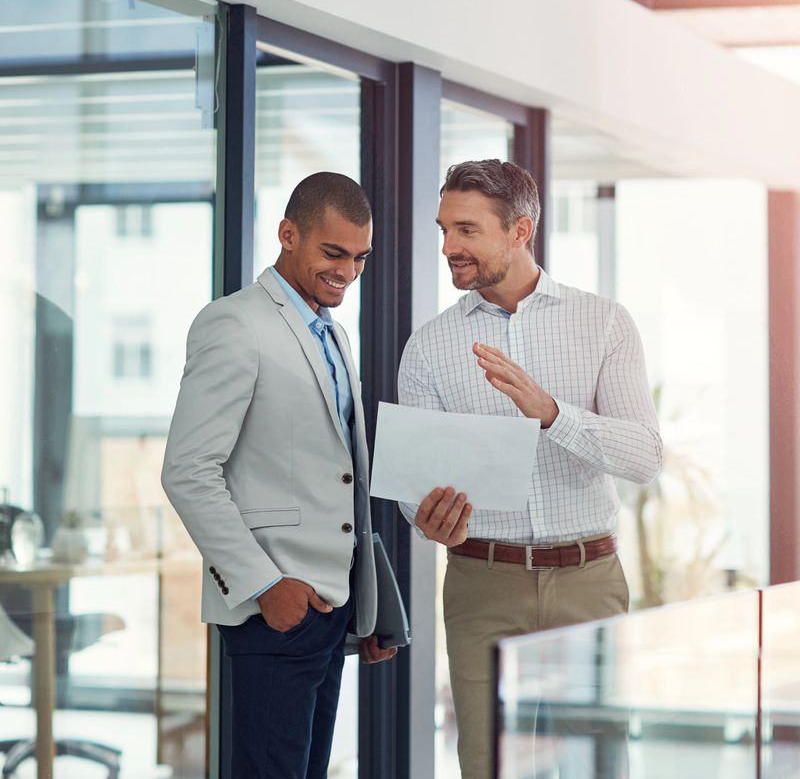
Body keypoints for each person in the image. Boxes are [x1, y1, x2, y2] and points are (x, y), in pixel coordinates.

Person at [398, 159, 662, 779]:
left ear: (521, 231)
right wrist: (428, 518)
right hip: (480, 582)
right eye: (443, 231)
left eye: (466, 231)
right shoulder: (429, 347)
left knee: (597, 764)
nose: (448, 248)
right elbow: (416, 487)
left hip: (588, 579)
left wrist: (551, 413)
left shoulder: (603, 324)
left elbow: (645, 458)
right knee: (484, 764)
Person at [162, 172, 396, 779]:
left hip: (331, 608)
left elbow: (345, 477)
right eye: (333, 253)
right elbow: (188, 470)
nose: (347, 271)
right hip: (276, 610)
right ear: (288, 234)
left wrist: (368, 608)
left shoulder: (334, 334)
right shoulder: (234, 325)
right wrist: (265, 585)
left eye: (360, 258)